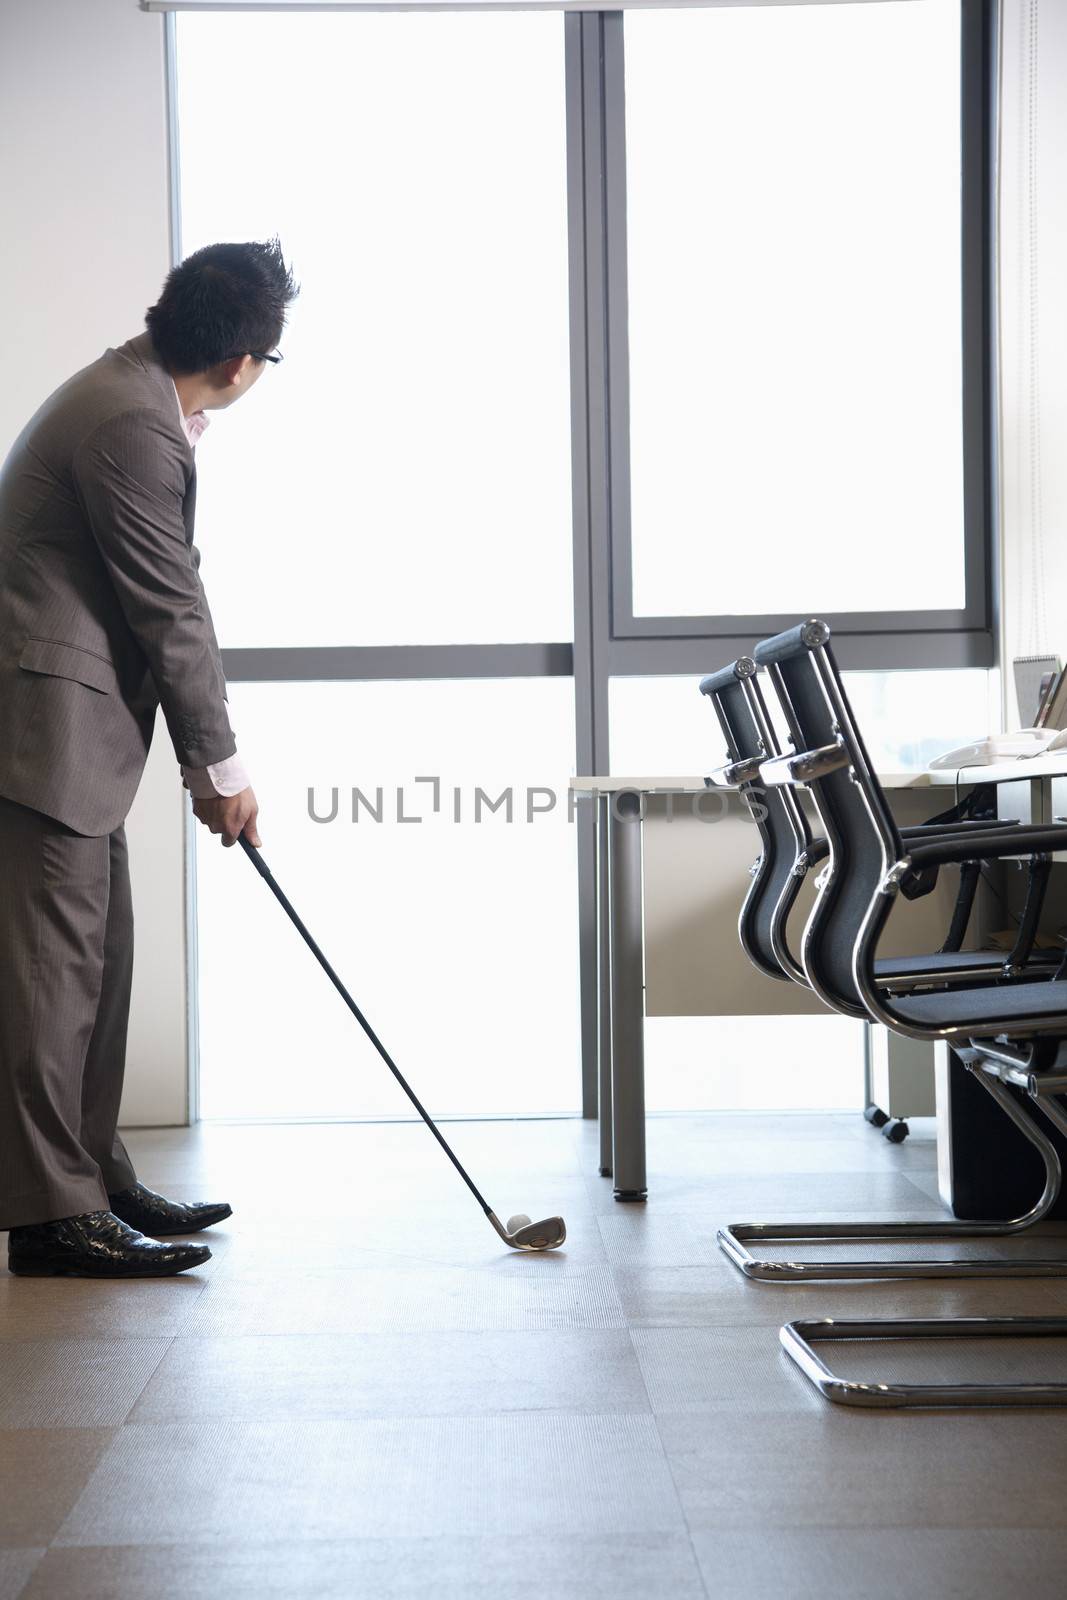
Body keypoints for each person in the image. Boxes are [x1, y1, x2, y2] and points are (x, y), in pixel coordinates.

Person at [0, 239, 298, 1277]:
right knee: (52, 978)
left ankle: (92, 1177)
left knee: (98, 961)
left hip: (76, 732)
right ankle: (49, 1217)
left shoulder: (134, 395)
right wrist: (220, 770)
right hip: (44, 727)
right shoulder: (132, 422)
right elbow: (169, 604)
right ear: (240, 360)